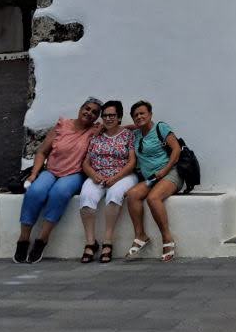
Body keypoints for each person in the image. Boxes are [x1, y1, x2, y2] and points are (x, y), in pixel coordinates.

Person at [15, 97, 102, 264]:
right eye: (87, 109)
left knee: (59, 193)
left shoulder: (95, 131)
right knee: (35, 191)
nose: (89, 113)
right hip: (51, 170)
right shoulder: (62, 126)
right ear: (80, 108)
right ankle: (23, 239)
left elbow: (119, 127)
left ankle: (42, 240)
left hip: (74, 174)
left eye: (94, 113)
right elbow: (41, 152)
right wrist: (34, 173)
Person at [76, 99, 137, 263]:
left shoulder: (127, 135)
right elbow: (86, 163)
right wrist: (94, 175)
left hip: (123, 175)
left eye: (112, 115)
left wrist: (115, 178)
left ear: (119, 117)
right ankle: (90, 242)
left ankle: (108, 241)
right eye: (105, 116)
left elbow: (132, 163)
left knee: (114, 195)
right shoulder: (96, 137)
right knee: (86, 198)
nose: (108, 118)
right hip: (98, 175)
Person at [124, 100, 182, 261]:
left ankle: (167, 238)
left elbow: (176, 149)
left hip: (170, 173)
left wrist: (164, 170)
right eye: (136, 115)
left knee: (153, 198)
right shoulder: (136, 134)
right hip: (151, 178)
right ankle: (140, 235)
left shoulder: (160, 128)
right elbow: (126, 128)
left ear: (150, 114)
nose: (139, 116)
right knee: (133, 195)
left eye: (142, 113)